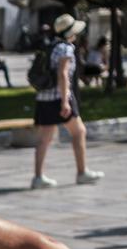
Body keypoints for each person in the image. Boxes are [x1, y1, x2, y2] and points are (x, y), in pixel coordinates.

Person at [31, 14, 104, 189]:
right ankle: (82, 172)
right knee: (79, 132)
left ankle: (38, 177)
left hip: (44, 98)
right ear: (70, 33)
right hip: (59, 98)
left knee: (44, 139)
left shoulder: (51, 46)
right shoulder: (66, 49)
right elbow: (63, 75)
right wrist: (65, 102)